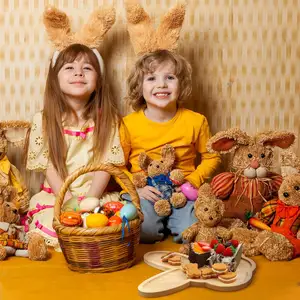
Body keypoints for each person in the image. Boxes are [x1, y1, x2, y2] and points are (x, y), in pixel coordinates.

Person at [25, 7, 124, 249]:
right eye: (69, 68)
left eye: (87, 68)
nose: (78, 72)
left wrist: (90, 200)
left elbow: (106, 165)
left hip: (96, 194)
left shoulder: (107, 120)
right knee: (59, 223)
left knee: (115, 223)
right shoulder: (45, 120)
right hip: (58, 195)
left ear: (98, 81)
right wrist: (68, 201)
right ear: (55, 79)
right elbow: (48, 166)